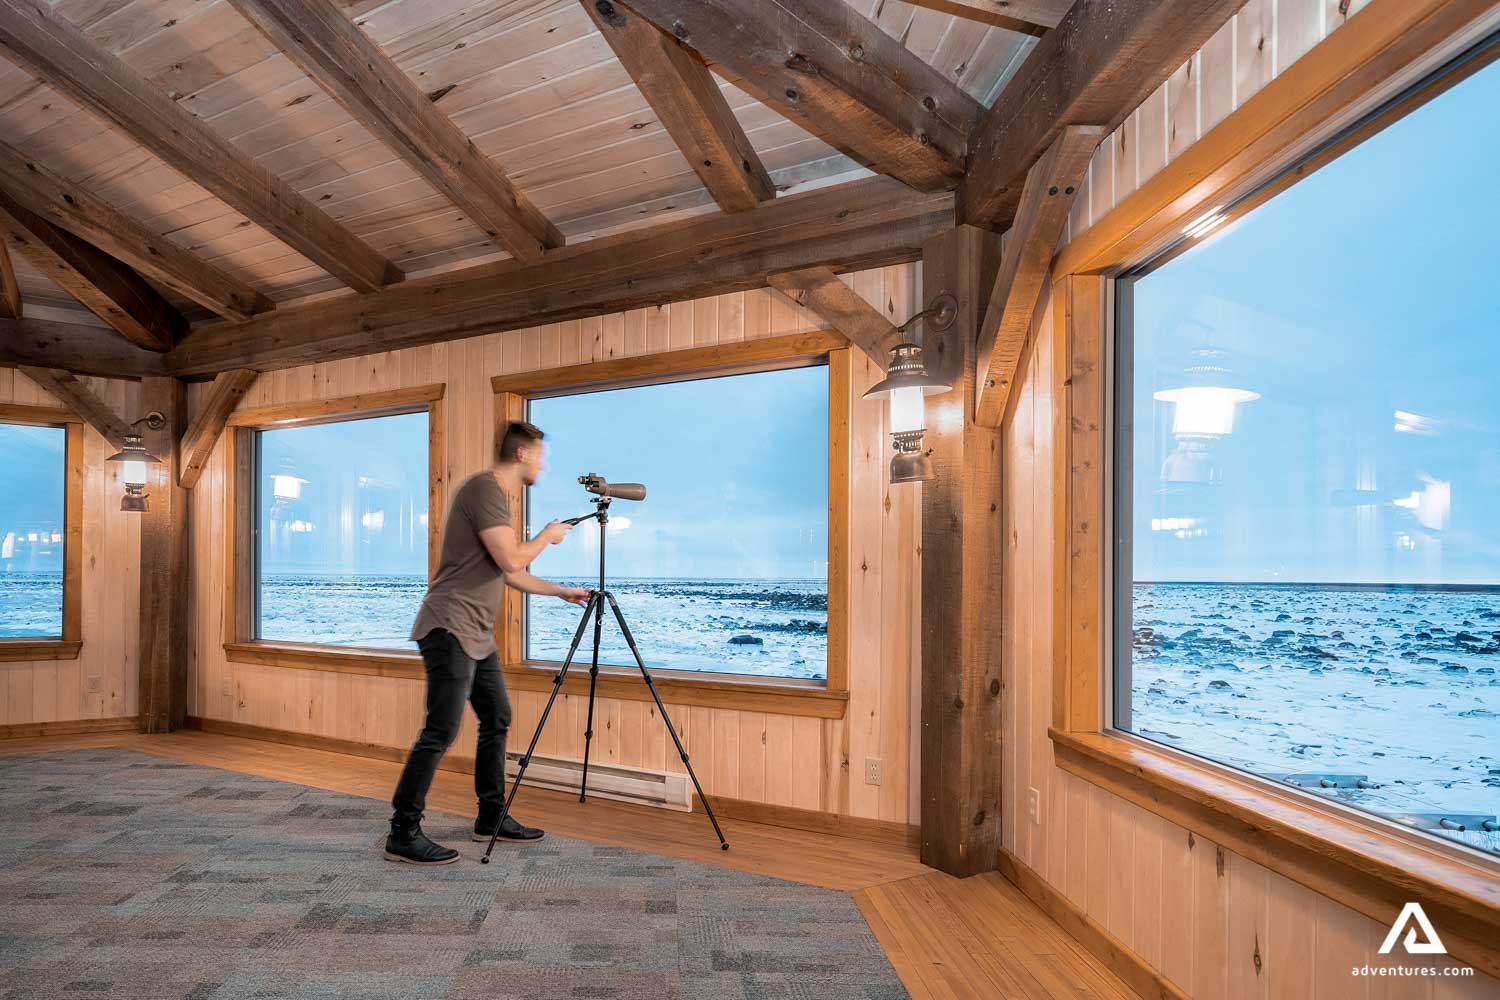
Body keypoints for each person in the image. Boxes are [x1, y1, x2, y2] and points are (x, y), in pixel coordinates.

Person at [385, 420, 591, 865]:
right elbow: (512, 557)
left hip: (476, 632)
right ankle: (403, 830)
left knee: (496, 716)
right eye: (542, 455)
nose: (544, 463)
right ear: (522, 454)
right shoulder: (484, 490)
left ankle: (491, 817)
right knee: (440, 730)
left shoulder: (497, 498)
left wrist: (561, 591)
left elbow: (511, 573)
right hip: (449, 625)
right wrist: (547, 537)